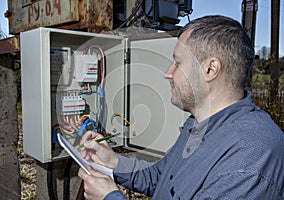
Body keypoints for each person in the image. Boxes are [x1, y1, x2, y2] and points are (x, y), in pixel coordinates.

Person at [78, 15, 284, 200]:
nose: (168, 73)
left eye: (177, 62)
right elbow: (162, 178)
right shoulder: (199, 122)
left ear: (210, 69)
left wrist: (109, 197)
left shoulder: (250, 157)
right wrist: (112, 162)